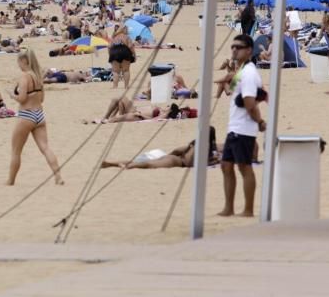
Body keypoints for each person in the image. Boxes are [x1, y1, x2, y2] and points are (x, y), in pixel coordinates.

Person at [219, 34, 265, 218]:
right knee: (225, 165)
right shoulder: (242, 70)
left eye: (238, 47)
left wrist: (260, 122)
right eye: (233, 47)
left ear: (248, 50)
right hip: (235, 125)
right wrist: (229, 77)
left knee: (244, 167)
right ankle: (229, 208)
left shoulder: (249, 73)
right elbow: (230, 90)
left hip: (244, 127)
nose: (234, 50)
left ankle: (248, 209)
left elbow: (249, 102)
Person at [8, 48, 63, 186]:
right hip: (39, 115)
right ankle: (58, 176)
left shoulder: (25, 77)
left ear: (24, 61)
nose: (18, 65)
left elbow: (22, 98)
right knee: (45, 148)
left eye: (19, 62)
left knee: (16, 151)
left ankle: (10, 181)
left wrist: (12, 95)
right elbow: (42, 98)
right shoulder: (38, 76)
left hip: (26, 115)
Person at [102, 128, 218, 169]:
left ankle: (112, 163)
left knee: (142, 161)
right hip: (178, 162)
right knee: (149, 164)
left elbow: (178, 150)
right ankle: (129, 167)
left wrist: (169, 154)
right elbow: (192, 162)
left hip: (173, 157)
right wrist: (212, 160)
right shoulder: (206, 147)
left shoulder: (194, 143)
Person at [108, 25, 136, 89]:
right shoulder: (127, 37)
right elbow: (130, 46)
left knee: (115, 71)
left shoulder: (114, 37)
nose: (128, 31)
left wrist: (110, 55)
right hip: (124, 51)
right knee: (126, 70)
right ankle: (126, 86)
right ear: (123, 30)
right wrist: (134, 55)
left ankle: (115, 86)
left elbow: (109, 47)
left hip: (114, 51)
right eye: (126, 29)